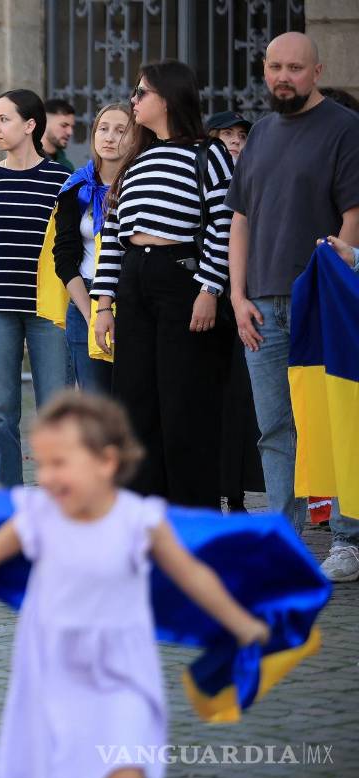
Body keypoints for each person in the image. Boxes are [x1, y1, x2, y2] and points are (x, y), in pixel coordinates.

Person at [0, 390, 269, 778]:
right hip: (56, 669)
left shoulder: (138, 520)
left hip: (122, 669)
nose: (48, 477)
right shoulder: (39, 515)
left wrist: (242, 624)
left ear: (106, 462)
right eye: (43, 463)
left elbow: (193, 575)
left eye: (61, 464)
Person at [227, 32, 359, 580]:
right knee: (275, 430)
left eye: (295, 68)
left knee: (334, 422)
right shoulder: (258, 134)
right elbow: (241, 220)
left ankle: (347, 540)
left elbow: (353, 214)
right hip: (260, 302)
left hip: (320, 302)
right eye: (275, 67)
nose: (284, 77)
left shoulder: (345, 129)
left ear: (316, 70)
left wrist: (347, 254)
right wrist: (236, 296)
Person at [92, 60, 235, 509]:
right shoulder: (136, 160)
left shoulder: (207, 155)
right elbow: (114, 235)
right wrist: (103, 304)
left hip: (181, 279)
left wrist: (209, 289)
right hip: (134, 281)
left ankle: (193, 519)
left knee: (184, 406)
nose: (134, 101)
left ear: (168, 99)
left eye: (141, 93)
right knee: (135, 404)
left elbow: (223, 223)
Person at [0, 89, 72, 488]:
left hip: (49, 312)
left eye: (4, 119)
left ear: (30, 125)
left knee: (55, 411)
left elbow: (69, 248)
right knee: (1, 412)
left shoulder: (63, 181)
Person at [204, 110, 264, 512]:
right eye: (227, 134)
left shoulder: (258, 177)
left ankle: (237, 493)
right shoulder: (203, 174)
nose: (236, 141)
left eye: (241, 134)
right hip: (208, 297)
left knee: (240, 400)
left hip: (248, 297)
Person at [51, 102, 131, 394]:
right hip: (86, 299)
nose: (110, 137)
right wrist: (91, 314)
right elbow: (64, 257)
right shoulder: (76, 187)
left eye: (121, 130)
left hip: (133, 299)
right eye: (103, 129)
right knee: (95, 403)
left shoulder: (140, 185)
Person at [42, 98, 77, 171]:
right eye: (64, 125)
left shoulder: (67, 167)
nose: (70, 132)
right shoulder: (24, 161)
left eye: (72, 127)